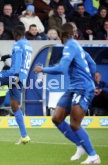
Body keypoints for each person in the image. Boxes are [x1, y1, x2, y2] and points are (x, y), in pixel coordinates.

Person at [34, 23, 101, 164]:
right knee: (57, 118)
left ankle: (93, 156)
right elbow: (92, 64)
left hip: (82, 88)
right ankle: (80, 145)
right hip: (73, 87)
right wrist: (92, 77)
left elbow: (62, 68)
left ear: (62, 35)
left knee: (74, 124)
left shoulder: (70, 45)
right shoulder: (77, 46)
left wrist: (43, 69)